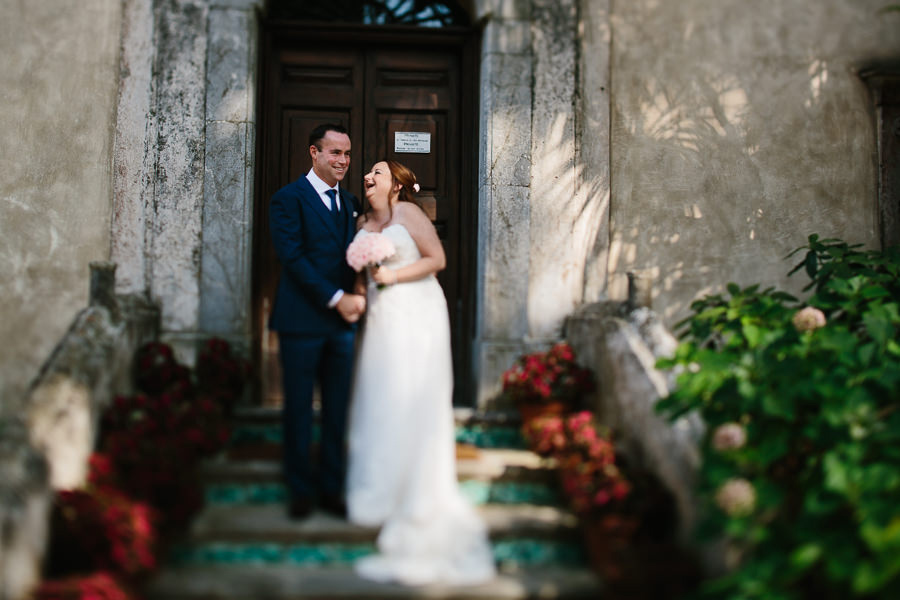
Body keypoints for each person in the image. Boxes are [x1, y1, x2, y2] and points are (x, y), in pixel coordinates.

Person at [346, 160, 496, 585]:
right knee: (380, 397)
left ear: (396, 185)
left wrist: (392, 274)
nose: (368, 178)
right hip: (380, 315)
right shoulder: (360, 220)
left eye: (377, 173)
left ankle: (416, 491)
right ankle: (380, 486)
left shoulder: (408, 214)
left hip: (416, 310)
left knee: (411, 394)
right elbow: (361, 276)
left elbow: (437, 259)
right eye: (368, 173)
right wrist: (361, 293)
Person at [268, 123, 366, 520]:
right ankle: (300, 490)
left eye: (346, 154)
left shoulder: (352, 202)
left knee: (337, 410)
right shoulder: (287, 199)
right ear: (314, 153)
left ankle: (331, 488)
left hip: (341, 328)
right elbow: (292, 258)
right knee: (299, 409)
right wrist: (337, 298)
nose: (342, 161)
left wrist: (358, 294)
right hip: (301, 323)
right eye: (334, 153)